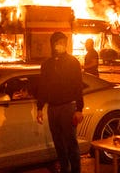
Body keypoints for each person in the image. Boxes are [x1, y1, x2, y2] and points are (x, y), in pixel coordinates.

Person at [36, 32, 84, 173]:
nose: (60, 45)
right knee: (59, 144)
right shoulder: (47, 64)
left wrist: (79, 108)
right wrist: (40, 108)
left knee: (71, 143)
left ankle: (75, 170)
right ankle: (65, 169)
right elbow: (43, 87)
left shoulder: (73, 62)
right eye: (57, 42)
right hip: (53, 109)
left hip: (68, 107)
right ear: (52, 44)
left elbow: (78, 86)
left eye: (63, 42)